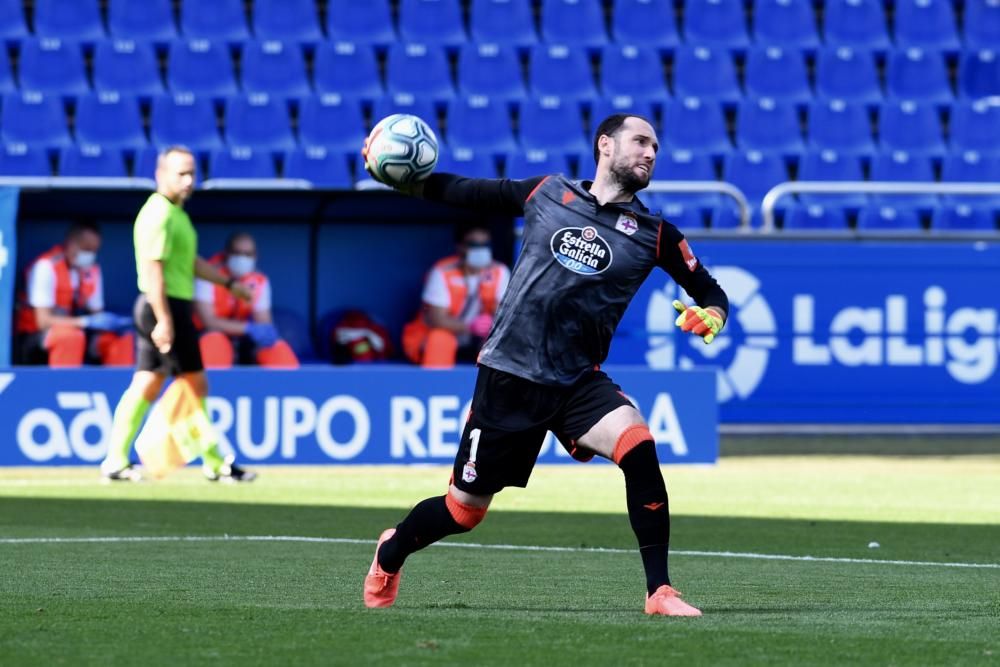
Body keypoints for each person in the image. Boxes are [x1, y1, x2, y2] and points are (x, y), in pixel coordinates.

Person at [361, 114, 729, 616]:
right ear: (605, 145)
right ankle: (392, 551)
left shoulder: (655, 233)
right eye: (640, 142)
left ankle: (659, 591)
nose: (650, 153)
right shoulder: (547, 192)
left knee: (637, 444)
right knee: (462, 512)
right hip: (509, 376)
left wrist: (712, 314)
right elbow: (465, 191)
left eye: (656, 148)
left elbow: (708, 288)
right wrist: (401, 177)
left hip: (577, 380)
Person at [99, 146, 257, 483]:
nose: (188, 180)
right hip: (164, 306)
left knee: (148, 383)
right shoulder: (159, 214)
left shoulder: (177, 214)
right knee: (195, 383)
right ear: (161, 175)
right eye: (180, 173)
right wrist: (166, 319)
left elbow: (190, 262)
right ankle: (215, 463)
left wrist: (229, 283)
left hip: (164, 306)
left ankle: (115, 460)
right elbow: (154, 270)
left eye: (192, 173)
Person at [13, 221, 134, 367]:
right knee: (71, 337)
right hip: (35, 337)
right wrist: (85, 322)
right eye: (86, 248)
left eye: (94, 251)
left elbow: (97, 314)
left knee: (120, 339)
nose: (89, 255)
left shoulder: (91, 270)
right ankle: (62, 387)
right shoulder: (46, 266)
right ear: (71, 243)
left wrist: (111, 323)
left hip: (76, 331)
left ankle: (121, 387)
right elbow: (43, 322)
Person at [401, 223, 510, 368]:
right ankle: (437, 387)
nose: (480, 249)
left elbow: (505, 315)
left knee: (500, 339)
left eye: (485, 244)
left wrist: (490, 322)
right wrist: (470, 327)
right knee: (440, 339)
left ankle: (493, 388)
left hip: (478, 339)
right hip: (445, 335)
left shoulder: (499, 271)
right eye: (474, 244)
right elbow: (436, 318)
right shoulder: (442, 271)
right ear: (460, 246)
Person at [194, 231, 299, 369]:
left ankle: (293, 387)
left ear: (255, 256)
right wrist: (248, 328)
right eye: (237, 253)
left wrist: (262, 332)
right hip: (208, 335)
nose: (242, 258)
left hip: (242, 341)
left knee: (275, 346)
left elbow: (263, 325)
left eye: (248, 254)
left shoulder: (259, 280)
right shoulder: (208, 273)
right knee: (215, 341)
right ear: (226, 254)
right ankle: (209, 389)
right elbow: (209, 322)